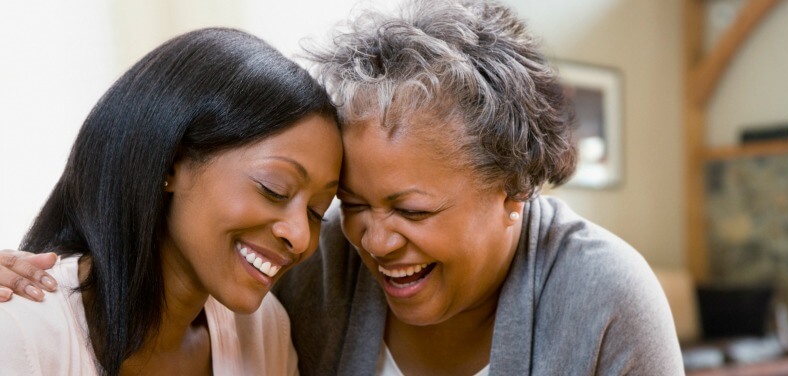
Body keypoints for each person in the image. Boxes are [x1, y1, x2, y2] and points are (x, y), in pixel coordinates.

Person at [0, 1, 684, 375]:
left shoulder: (605, 298)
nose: (369, 240)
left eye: (412, 208)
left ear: (515, 193)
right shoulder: (299, 280)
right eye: (350, 206)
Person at [0, 27, 342, 375]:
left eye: (317, 212)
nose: (301, 237)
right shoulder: (20, 334)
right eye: (274, 189)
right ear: (172, 163)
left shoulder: (264, 331)